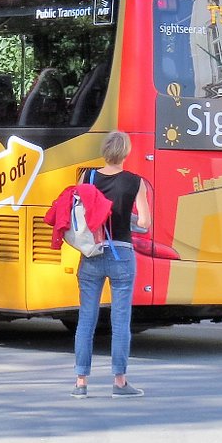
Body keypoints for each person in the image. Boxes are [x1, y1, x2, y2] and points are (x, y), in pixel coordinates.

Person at [72, 130, 151, 398]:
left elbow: (79, 215)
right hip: (122, 255)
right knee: (120, 321)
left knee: (86, 319)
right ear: (125, 153)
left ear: (104, 151)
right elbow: (145, 223)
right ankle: (119, 381)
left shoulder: (87, 177)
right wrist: (125, 221)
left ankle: (81, 383)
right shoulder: (135, 182)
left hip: (91, 255)